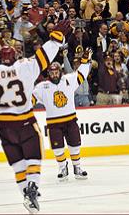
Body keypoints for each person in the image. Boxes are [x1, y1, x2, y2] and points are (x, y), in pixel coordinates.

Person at [0, 20, 70, 213]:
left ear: (0, 59)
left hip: (3, 127)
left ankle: (25, 194)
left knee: (18, 164)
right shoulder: (24, 67)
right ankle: (33, 187)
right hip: (25, 122)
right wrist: (56, 39)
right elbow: (43, 57)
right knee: (34, 157)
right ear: (15, 55)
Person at [33, 49, 92, 181]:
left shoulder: (69, 80)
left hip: (70, 120)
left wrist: (85, 61)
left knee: (75, 145)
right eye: (52, 72)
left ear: (60, 72)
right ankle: (62, 167)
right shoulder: (42, 87)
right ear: (48, 73)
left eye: (56, 72)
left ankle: (77, 167)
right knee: (57, 147)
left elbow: (82, 74)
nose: (54, 74)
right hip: (54, 124)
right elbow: (32, 99)